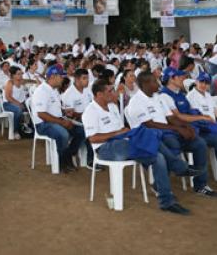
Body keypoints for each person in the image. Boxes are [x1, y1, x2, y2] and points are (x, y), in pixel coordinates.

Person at [82, 79, 191, 215]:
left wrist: (124, 132)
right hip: (106, 148)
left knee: (158, 156)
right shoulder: (90, 111)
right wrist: (118, 133)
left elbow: (121, 129)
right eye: (110, 91)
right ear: (99, 94)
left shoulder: (113, 107)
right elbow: (92, 138)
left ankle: (166, 201)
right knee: (149, 135)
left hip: (124, 142)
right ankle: (179, 167)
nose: (114, 93)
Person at [157, 68, 216, 197]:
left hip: (184, 133)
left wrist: (195, 119)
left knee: (200, 144)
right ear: (171, 79)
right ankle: (161, 185)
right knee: (172, 146)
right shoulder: (164, 95)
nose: (182, 79)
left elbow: (189, 112)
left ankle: (200, 185)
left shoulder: (180, 94)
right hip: (171, 134)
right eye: (179, 77)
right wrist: (201, 118)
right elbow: (176, 117)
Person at [31, 65, 85, 172]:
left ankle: (68, 155)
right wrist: (62, 122)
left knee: (82, 132)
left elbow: (54, 109)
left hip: (56, 120)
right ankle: (62, 161)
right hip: (43, 124)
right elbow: (41, 114)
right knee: (63, 134)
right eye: (61, 76)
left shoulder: (54, 90)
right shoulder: (41, 91)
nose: (63, 79)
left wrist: (65, 112)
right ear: (53, 77)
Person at [60, 68, 95, 168]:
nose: (87, 81)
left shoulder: (88, 90)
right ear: (76, 79)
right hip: (73, 122)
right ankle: (70, 153)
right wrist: (84, 115)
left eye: (87, 78)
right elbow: (70, 114)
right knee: (84, 131)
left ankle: (94, 158)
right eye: (84, 78)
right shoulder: (69, 94)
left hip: (87, 119)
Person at [2, 66, 28, 140]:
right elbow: (8, 97)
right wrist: (18, 104)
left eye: (21, 74)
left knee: (32, 108)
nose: (21, 75)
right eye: (18, 74)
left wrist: (37, 81)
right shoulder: (10, 82)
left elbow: (30, 81)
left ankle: (28, 129)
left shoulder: (22, 81)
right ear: (13, 75)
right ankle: (15, 131)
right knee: (18, 110)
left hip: (18, 103)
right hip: (7, 104)